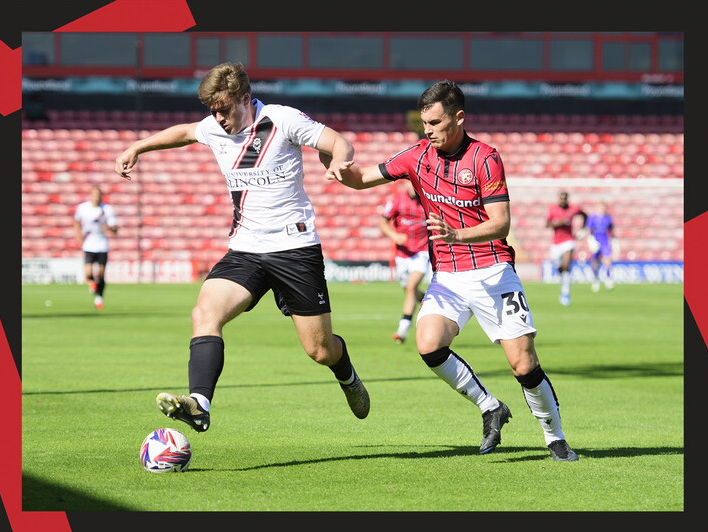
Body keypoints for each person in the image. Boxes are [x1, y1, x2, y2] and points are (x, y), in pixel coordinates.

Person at [113, 62, 370, 435]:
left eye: (224, 110)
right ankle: (199, 404)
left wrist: (340, 162)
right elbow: (184, 132)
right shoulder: (213, 128)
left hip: (294, 247)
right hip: (246, 249)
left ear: (246, 99)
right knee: (205, 313)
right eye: (212, 111)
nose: (218, 119)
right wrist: (138, 146)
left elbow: (336, 142)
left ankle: (346, 374)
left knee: (320, 350)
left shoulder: (281, 119)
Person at [328, 80, 578, 460]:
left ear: (458, 118)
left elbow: (501, 223)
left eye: (435, 122)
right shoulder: (417, 156)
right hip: (448, 275)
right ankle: (490, 406)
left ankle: (554, 436)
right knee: (428, 343)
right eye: (424, 123)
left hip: (493, 271)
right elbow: (360, 179)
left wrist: (456, 234)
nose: (427, 130)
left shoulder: (485, 158)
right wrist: (331, 160)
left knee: (523, 363)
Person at [378, 181, 430, 344]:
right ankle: (427, 300)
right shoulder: (397, 200)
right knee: (408, 289)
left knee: (411, 287)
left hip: (422, 252)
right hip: (402, 254)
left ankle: (403, 329)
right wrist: (394, 236)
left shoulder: (428, 199)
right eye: (410, 182)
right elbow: (382, 222)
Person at [73, 185, 118, 309]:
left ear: (101, 197)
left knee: (101, 274)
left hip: (102, 245)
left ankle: (99, 297)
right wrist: (78, 236)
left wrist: (109, 228)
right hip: (88, 244)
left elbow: (115, 229)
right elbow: (76, 221)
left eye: (99, 195)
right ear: (90, 196)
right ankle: (92, 283)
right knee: (88, 273)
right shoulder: (83, 208)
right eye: (94, 195)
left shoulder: (107, 209)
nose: (97, 197)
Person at [546, 191, 586, 306]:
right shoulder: (552, 209)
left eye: (564, 198)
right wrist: (559, 223)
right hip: (556, 243)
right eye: (561, 198)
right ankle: (562, 282)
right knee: (560, 267)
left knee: (566, 265)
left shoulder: (572, 209)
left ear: (567, 199)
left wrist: (582, 229)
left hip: (568, 241)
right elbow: (547, 224)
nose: (563, 200)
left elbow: (584, 215)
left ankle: (565, 293)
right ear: (558, 199)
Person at [585, 200, 615, 292]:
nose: (603, 209)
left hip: (604, 240)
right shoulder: (593, 217)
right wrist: (590, 240)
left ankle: (608, 278)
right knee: (595, 261)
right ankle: (595, 279)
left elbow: (611, 230)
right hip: (595, 239)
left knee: (607, 260)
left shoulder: (608, 218)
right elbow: (588, 229)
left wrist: (613, 240)